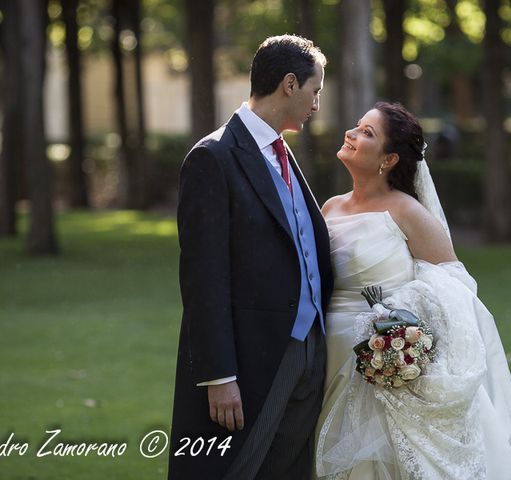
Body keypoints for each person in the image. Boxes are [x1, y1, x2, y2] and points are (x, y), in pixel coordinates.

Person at [314, 102, 511, 479]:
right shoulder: (330, 209)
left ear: (389, 158)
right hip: (328, 355)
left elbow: (454, 283)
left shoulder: (407, 212)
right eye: (358, 126)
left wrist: (395, 319)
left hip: (381, 362)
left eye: (367, 133)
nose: (352, 133)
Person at [169, 35, 333, 480]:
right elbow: (203, 278)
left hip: (307, 349)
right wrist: (218, 375)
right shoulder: (213, 157)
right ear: (289, 85)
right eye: (315, 91)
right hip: (252, 357)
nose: (317, 105)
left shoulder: (282, 152)